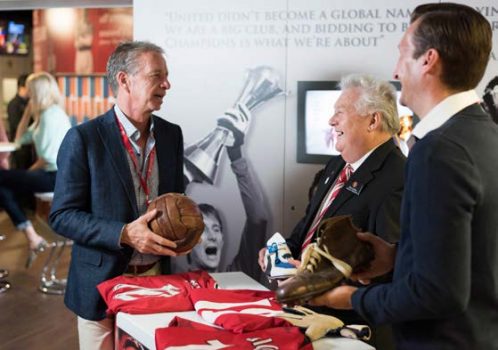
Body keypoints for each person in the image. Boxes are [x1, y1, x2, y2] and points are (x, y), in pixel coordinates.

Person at [309, 3, 497, 349]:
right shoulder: (484, 134)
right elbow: (476, 261)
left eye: (402, 55)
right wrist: (397, 256)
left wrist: (348, 298)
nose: (395, 72)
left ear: (428, 60)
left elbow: (437, 293)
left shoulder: (439, 150)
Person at [49, 41, 185, 350]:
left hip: (157, 281)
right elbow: (61, 215)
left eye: (166, 75)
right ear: (124, 80)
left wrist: (184, 224)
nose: (167, 84)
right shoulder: (82, 139)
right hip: (101, 284)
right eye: (157, 75)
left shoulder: (171, 135)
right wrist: (124, 234)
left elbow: (177, 197)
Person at [259, 74, 406, 349]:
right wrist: (282, 253)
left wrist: (312, 278)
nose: (331, 121)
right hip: (307, 316)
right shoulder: (338, 164)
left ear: (372, 121)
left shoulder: (398, 178)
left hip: (350, 330)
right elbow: (308, 226)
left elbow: (386, 272)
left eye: (340, 112)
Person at [178, 105, 269, 282]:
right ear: (187, 242)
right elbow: (157, 218)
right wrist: (185, 176)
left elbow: (259, 218)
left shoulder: (240, 272)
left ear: (222, 239)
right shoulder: (173, 275)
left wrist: (236, 154)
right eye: (203, 229)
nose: (212, 236)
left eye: (217, 229)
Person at [0, 72, 71, 268]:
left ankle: (32, 236)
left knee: (3, 181)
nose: (27, 94)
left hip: (56, 177)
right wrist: (28, 112)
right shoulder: (43, 116)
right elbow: (20, 139)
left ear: (38, 92)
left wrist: (28, 174)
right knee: (3, 185)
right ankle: (32, 237)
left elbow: (48, 157)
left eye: (31, 91)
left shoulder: (51, 115)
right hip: (49, 174)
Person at [7, 73, 35, 170]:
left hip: (29, 145)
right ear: (22, 87)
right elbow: (16, 125)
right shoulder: (13, 105)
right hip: (19, 148)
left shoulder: (29, 103)